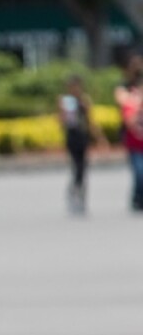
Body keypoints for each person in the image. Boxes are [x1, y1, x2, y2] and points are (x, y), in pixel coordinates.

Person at [58, 74, 107, 216]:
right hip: (71, 136)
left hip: (82, 136)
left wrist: (100, 138)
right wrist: (65, 113)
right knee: (76, 166)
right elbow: (61, 121)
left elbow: (90, 121)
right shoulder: (65, 101)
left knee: (83, 167)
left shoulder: (84, 100)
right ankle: (74, 191)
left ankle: (81, 195)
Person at [113, 54, 143, 212]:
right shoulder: (124, 86)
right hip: (133, 136)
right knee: (139, 169)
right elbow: (123, 102)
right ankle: (137, 198)